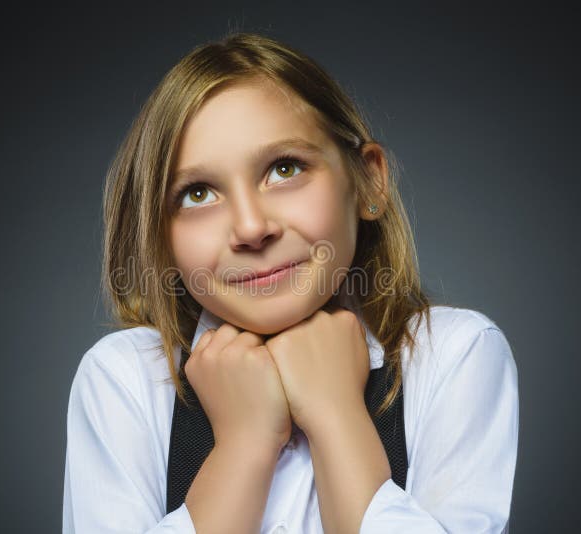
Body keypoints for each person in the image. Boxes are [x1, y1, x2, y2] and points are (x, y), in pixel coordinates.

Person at [62, 32, 519, 533]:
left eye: (284, 169)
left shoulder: (452, 355)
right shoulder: (126, 380)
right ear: (160, 238)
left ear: (368, 181)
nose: (252, 228)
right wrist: (243, 445)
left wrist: (336, 415)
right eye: (197, 194)